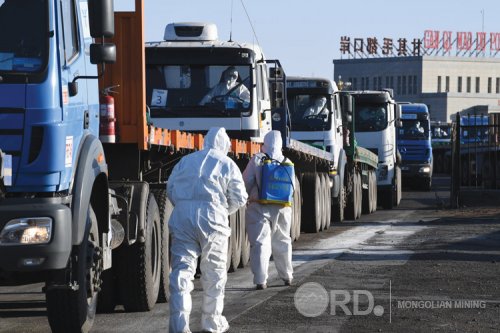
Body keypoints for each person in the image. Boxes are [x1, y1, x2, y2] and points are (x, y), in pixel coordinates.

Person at [167, 127, 248, 333]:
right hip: (213, 219)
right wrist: (222, 210)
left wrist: (185, 205)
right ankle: (211, 322)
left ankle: (179, 327)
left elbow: (171, 188)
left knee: (182, 273)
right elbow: (240, 197)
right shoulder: (227, 164)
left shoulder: (185, 161)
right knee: (214, 274)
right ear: (225, 145)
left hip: (183, 217)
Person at [242, 130, 294, 290]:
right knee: (283, 240)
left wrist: (245, 197)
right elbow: (293, 187)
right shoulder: (287, 161)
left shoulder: (257, 159)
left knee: (260, 242)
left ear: (265, 142)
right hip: (282, 208)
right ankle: (287, 276)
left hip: (259, 206)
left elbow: (246, 180)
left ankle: (260, 280)